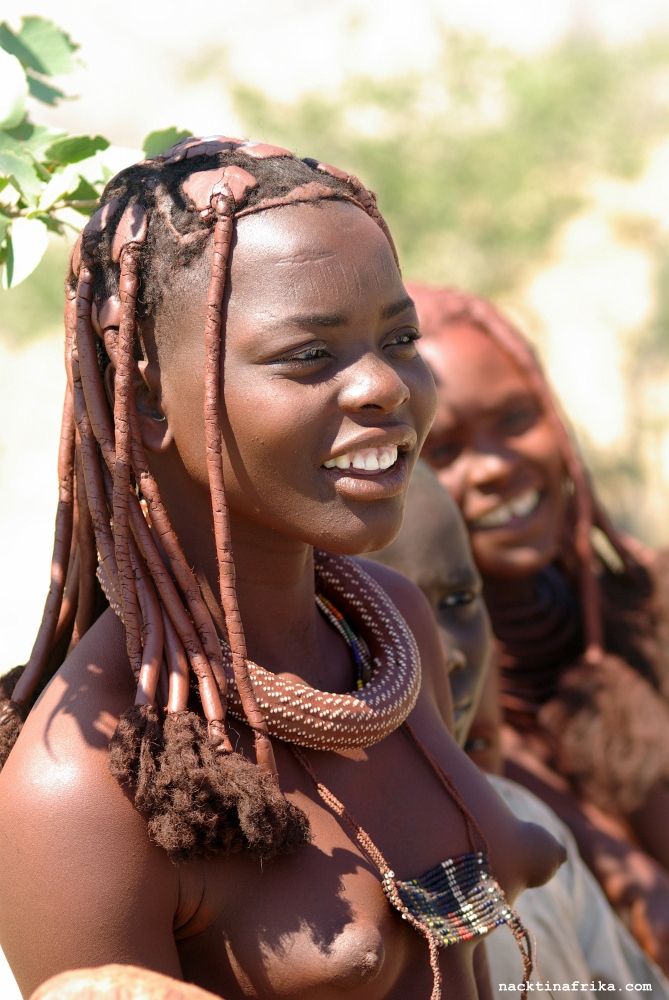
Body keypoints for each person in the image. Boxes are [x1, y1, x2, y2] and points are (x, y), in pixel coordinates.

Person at [0, 137, 564, 1000]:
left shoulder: (390, 630)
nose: (385, 386)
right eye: (309, 354)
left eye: (400, 336)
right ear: (146, 393)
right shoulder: (81, 788)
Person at [408, 281, 669, 970]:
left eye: (517, 418)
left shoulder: (650, 605)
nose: (495, 467)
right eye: (446, 451)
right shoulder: (442, 693)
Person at [370, 459, 669, 995]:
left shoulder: (524, 822)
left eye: (460, 601)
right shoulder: (292, 874)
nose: (452, 655)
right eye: (384, 614)